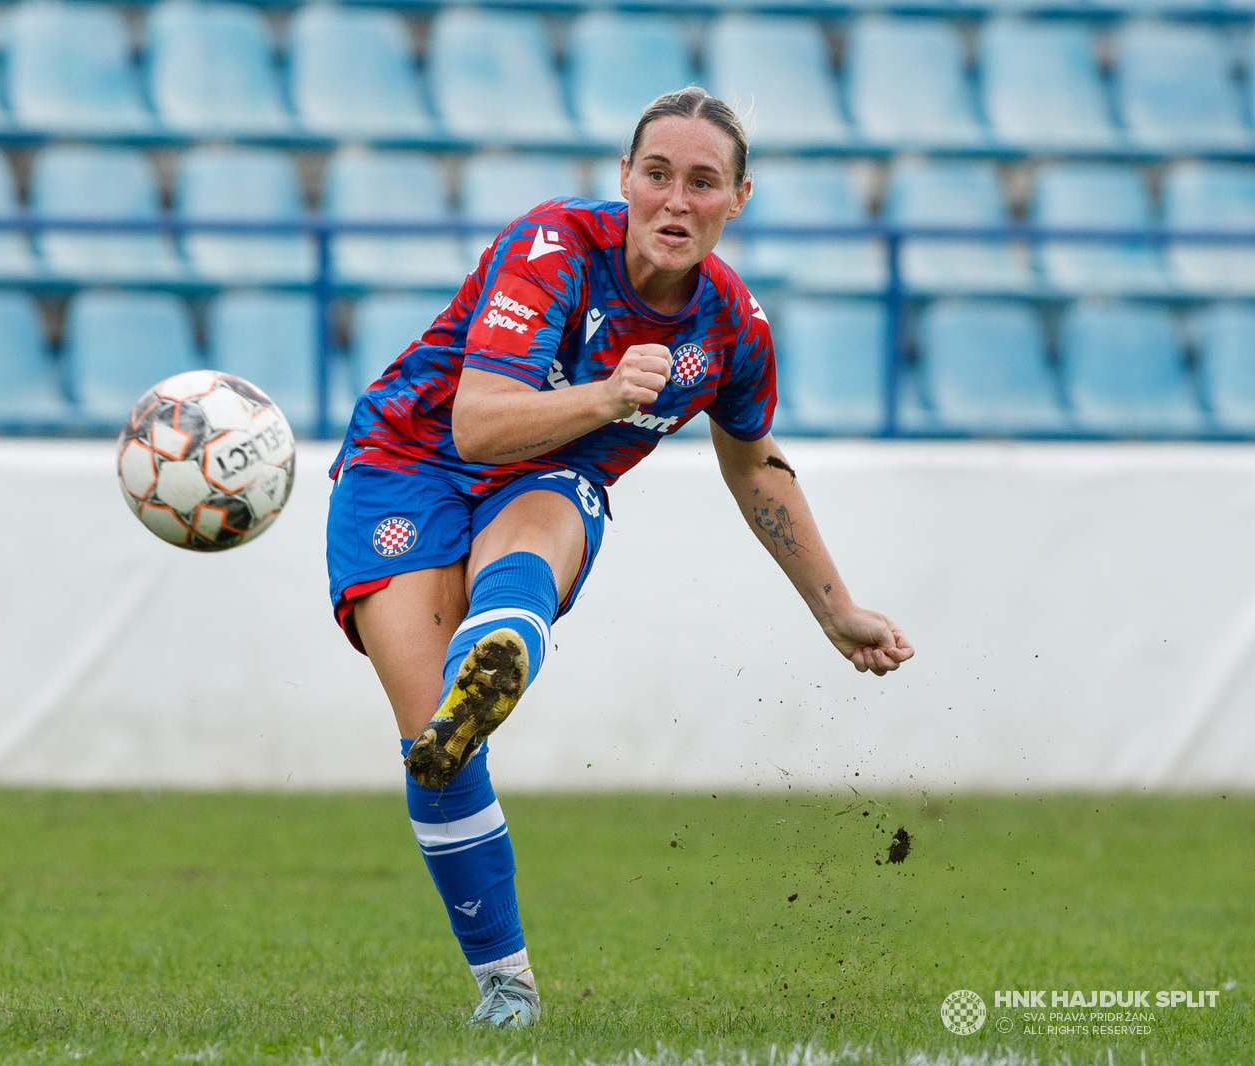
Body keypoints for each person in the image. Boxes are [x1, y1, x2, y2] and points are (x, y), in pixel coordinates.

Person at [323, 87, 915, 1029]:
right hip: (406, 462)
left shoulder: (733, 329)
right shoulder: (551, 249)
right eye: (658, 176)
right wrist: (606, 397)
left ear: (739, 199)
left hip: (548, 478)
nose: (677, 201)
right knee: (437, 750)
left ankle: (503, 640)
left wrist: (834, 609)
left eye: (703, 182)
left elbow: (756, 465)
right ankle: (506, 976)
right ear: (626, 181)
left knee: (553, 498)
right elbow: (475, 426)